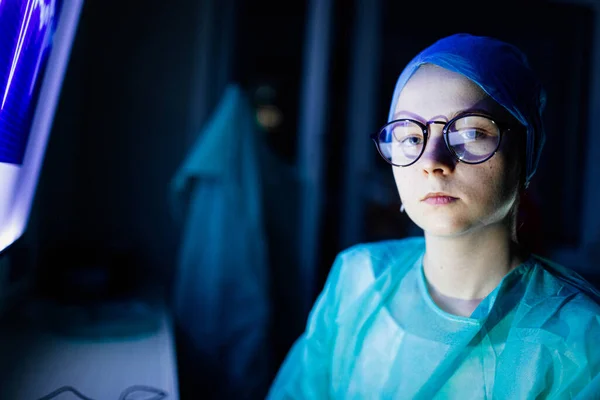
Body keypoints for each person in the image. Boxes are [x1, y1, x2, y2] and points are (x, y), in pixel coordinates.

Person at [266, 33, 600, 399]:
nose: (432, 162)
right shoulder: (358, 280)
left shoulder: (580, 337)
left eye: (472, 132)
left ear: (527, 153)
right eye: (410, 137)